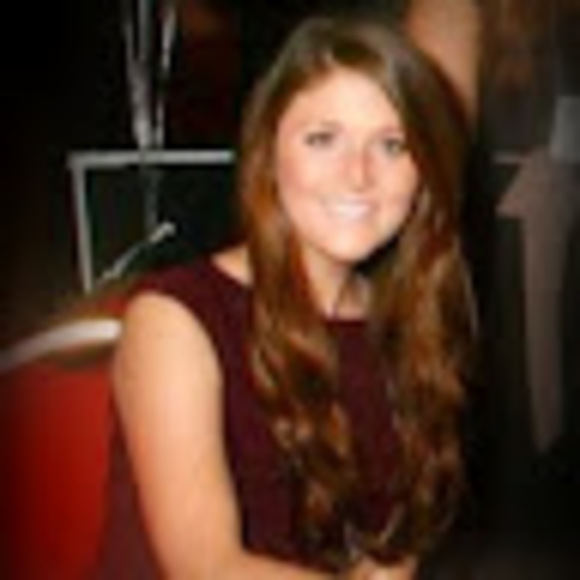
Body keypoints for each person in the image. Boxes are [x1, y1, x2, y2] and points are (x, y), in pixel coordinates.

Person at [107, 12, 476, 580]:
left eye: (392, 144)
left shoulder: (405, 321)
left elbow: (396, 546)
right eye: (323, 139)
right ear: (268, 154)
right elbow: (205, 566)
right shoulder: (174, 317)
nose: (358, 175)